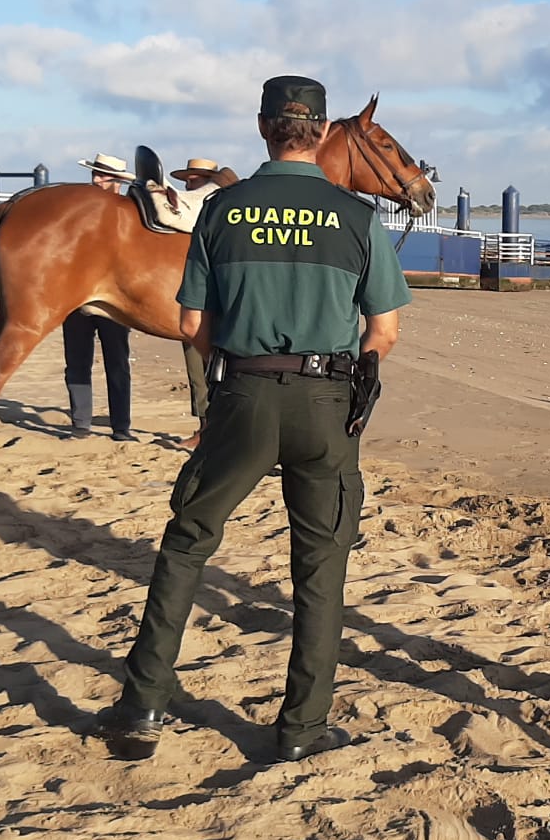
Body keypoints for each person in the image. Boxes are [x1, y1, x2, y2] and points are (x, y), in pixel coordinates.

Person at [93, 77, 411, 763]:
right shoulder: (357, 219)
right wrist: (357, 362)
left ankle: (143, 704)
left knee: (188, 543)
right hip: (327, 404)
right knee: (320, 567)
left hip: (243, 394)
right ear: (323, 133)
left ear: (265, 128)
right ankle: (300, 729)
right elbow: (382, 329)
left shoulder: (225, 210)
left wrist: (236, 366)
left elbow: (190, 323)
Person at [63, 154, 134, 440]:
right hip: (77, 298)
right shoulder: (78, 212)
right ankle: (81, 423)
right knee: (77, 362)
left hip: (114, 301)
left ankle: (121, 426)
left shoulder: (128, 212)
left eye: (102, 176)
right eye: (95, 174)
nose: (96, 180)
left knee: (117, 361)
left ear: (117, 181)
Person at [173, 158, 227, 452]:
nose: (188, 185)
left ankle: (209, 428)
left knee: (201, 361)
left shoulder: (213, 210)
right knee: (198, 364)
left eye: (194, 180)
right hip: (210, 297)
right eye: (188, 179)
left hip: (211, 297)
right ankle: (207, 426)